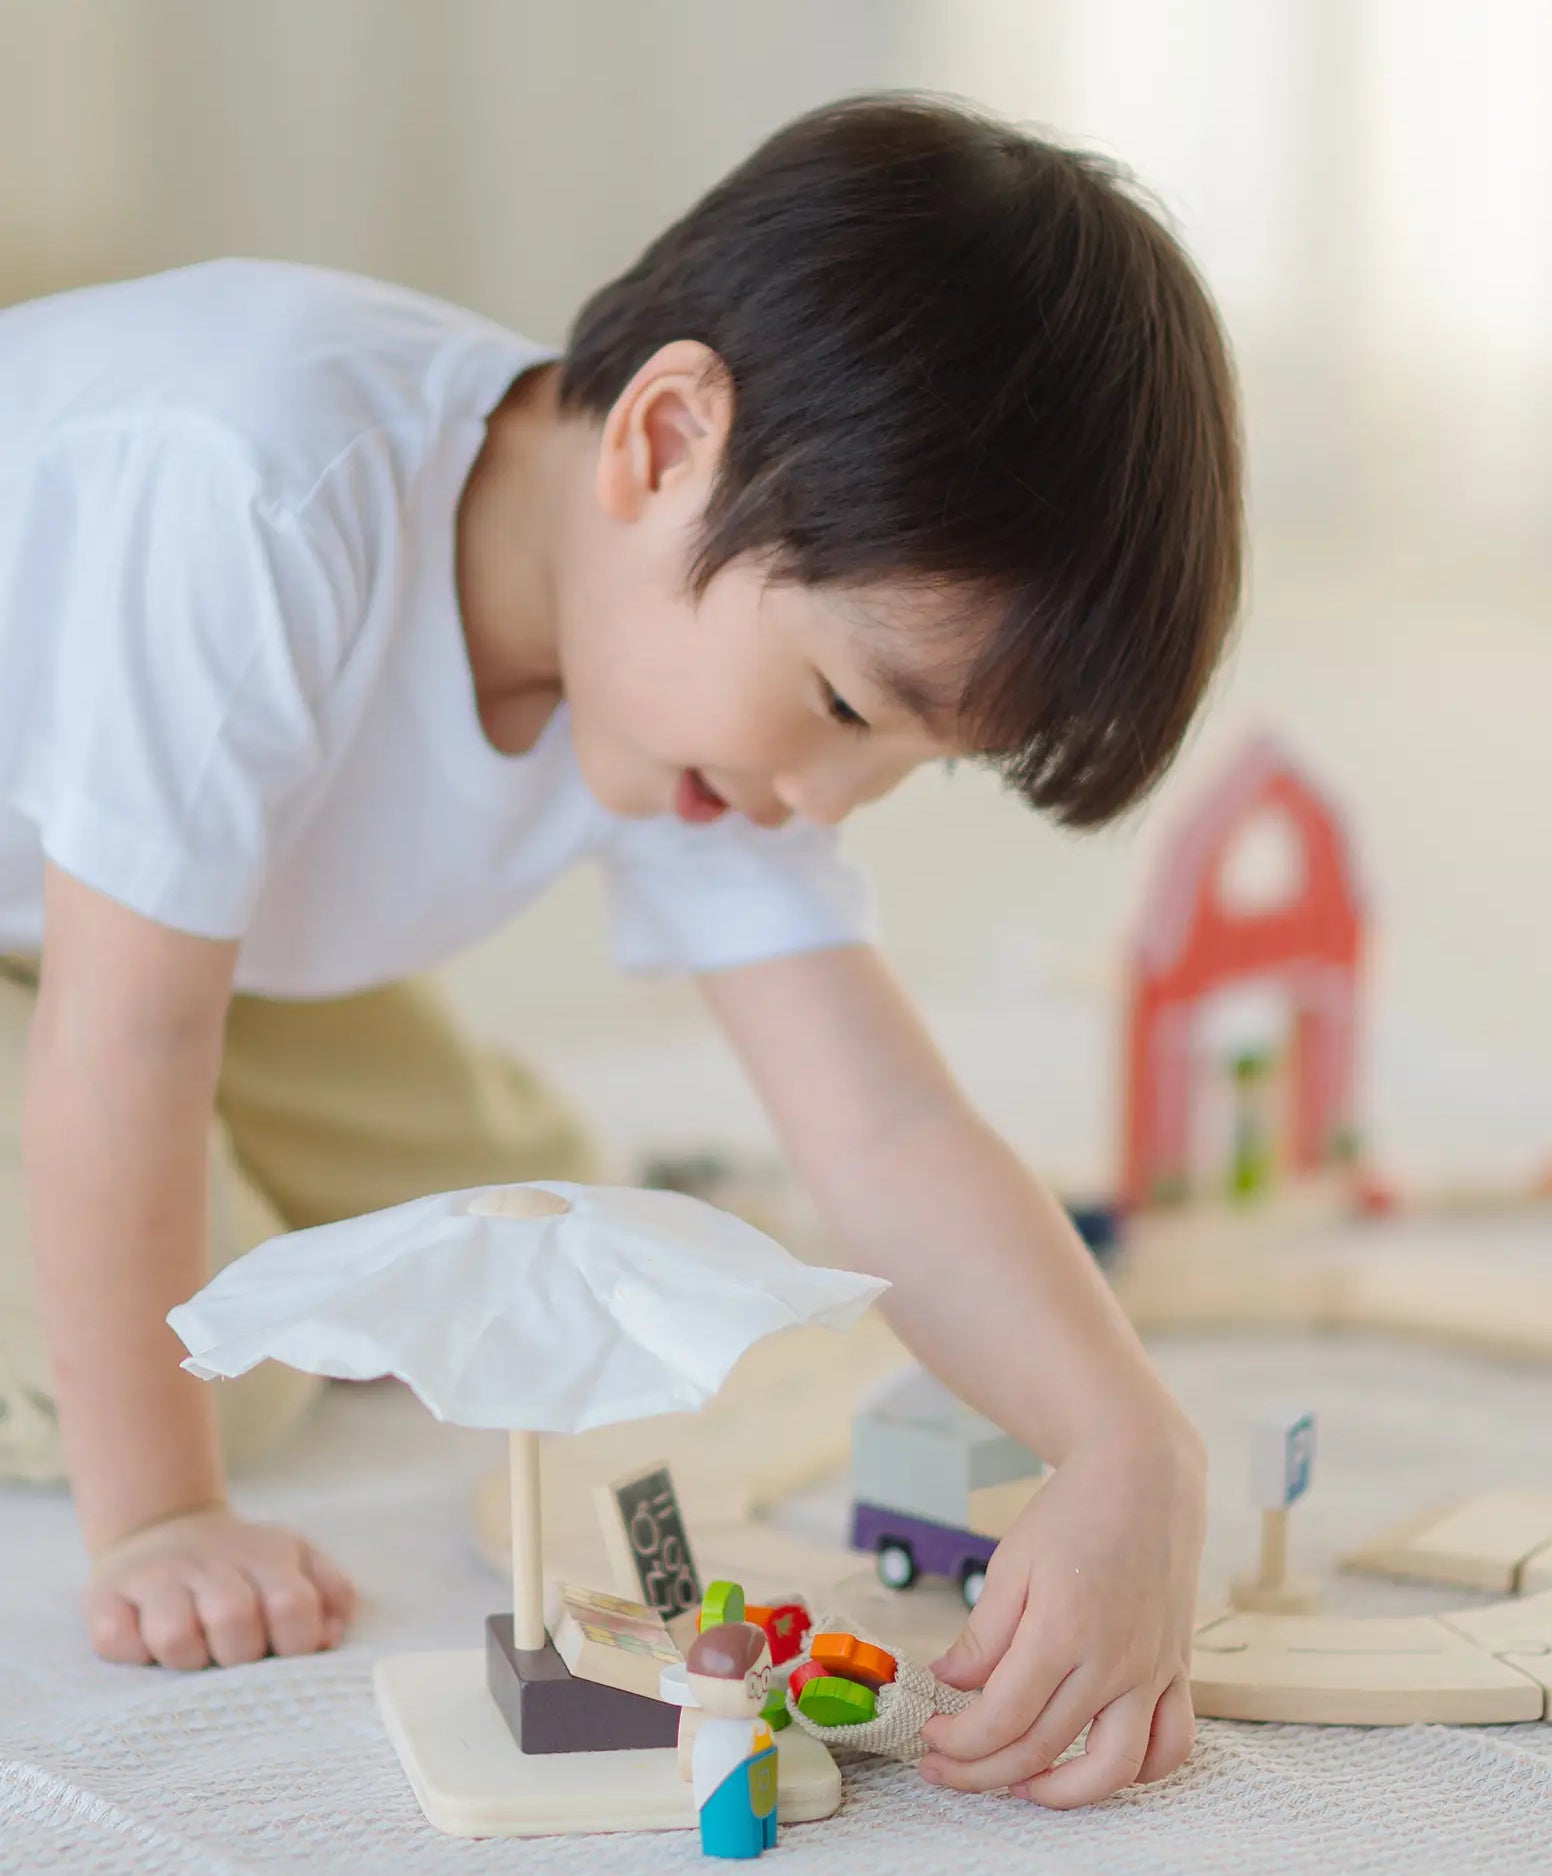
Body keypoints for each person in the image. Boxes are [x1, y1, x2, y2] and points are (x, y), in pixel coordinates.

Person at [0, 94, 1239, 1808]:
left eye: (902, 766)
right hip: (100, 956)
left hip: (144, 932)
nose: (830, 799)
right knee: (212, 1359)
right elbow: (126, 1042)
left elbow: (881, 1125)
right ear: (665, 441)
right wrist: (162, 1514)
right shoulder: (260, 493)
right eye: (840, 709)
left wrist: (1127, 1445)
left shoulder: (660, 618)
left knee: (529, 1218)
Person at [683, 1622, 779, 1859]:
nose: (761, 1689)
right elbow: (706, 1778)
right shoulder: (714, 1736)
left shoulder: (759, 1727)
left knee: (763, 1816)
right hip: (730, 1799)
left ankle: (765, 1837)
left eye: (764, 1678)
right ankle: (742, 1844)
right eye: (755, 1680)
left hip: (761, 1786)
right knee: (739, 1830)